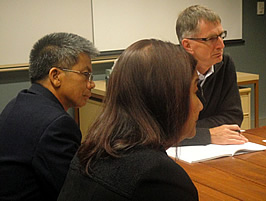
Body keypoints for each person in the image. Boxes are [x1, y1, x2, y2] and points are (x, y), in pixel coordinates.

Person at [57, 39, 202, 201]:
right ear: (167, 99)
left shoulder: (91, 150)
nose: (201, 105)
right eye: (195, 91)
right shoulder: (159, 180)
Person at [0, 32, 99, 201]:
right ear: (55, 76)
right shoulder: (56, 125)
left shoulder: (17, 103)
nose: (91, 84)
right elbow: (77, 193)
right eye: (85, 74)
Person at [176, 5, 248, 145]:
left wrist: (190, 131)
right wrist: (206, 135)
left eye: (221, 36)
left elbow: (233, 117)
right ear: (187, 45)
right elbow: (163, 131)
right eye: (211, 39)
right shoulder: (169, 70)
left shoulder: (225, 64)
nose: (221, 45)